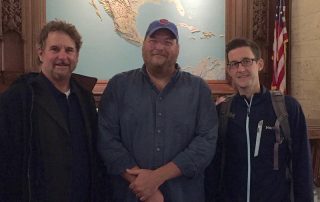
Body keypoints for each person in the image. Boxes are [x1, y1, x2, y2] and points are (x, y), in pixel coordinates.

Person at [98, 19, 218, 202]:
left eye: (168, 42)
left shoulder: (199, 89)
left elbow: (205, 143)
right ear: (143, 44)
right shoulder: (119, 86)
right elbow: (107, 140)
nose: (159, 47)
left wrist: (156, 178)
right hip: (129, 195)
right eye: (153, 40)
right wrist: (143, 187)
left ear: (178, 49)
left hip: (184, 196)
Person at [0, 20, 108, 202]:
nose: (62, 57)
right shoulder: (19, 98)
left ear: (77, 56)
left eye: (69, 50)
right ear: (41, 53)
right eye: (55, 49)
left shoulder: (85, 99)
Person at [205, 38, 313, 202]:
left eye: (246, 61)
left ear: (260, 64)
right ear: (229, 70)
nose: (240, 69)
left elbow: (302, 165)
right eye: (234, 64)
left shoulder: (288, 108)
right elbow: (214, 168)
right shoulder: (222, 112)